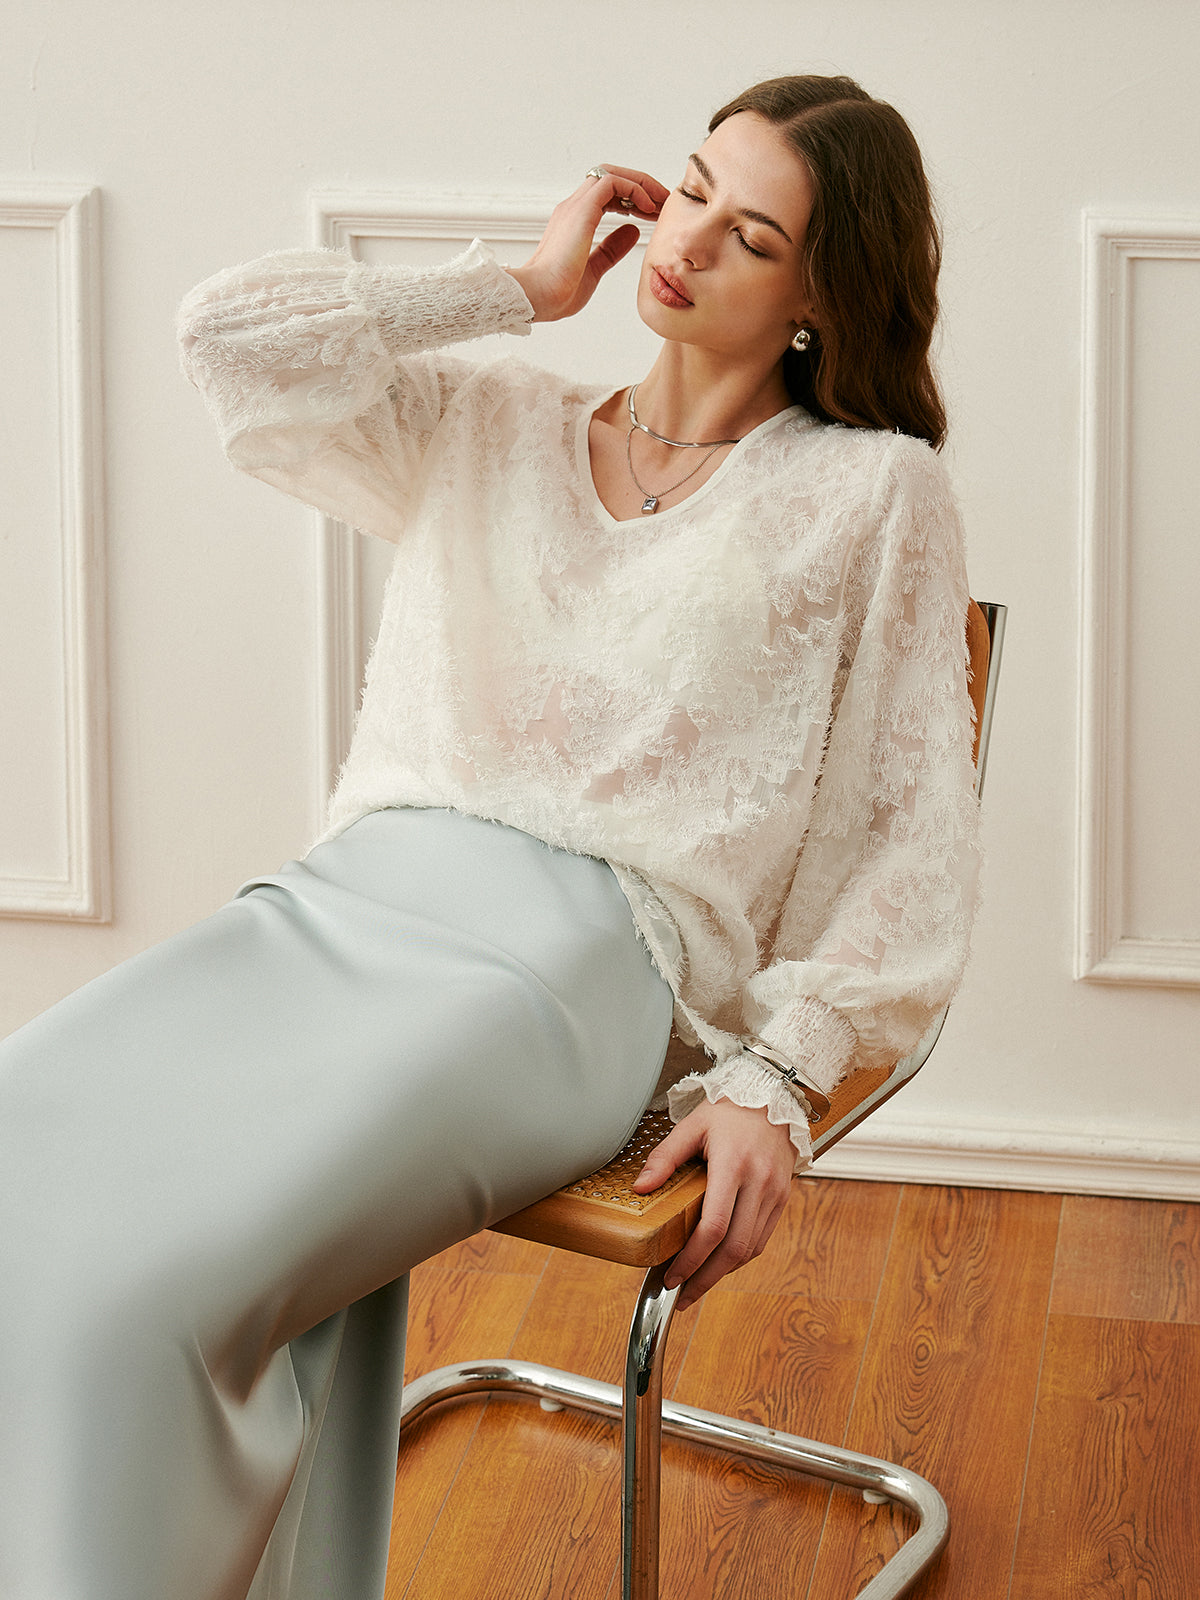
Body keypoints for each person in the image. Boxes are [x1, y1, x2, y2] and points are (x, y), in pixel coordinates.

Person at [0, 73, 980, 1600]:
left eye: (753, 235)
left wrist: (780, 1078)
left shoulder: (874, 492)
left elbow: (912, 836)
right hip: (337, 905)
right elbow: (226, 339)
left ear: (819, 298)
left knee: (149, 1295)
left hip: (579, 970)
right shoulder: (492, 417)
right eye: (692, 187)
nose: (690, 241)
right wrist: (516, 287)